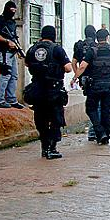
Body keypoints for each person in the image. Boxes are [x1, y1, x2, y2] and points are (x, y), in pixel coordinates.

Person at [25, 25, 72, 159]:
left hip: (37, 89)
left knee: (41, 119)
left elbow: (27, 64)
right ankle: (52, 148)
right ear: (54, 36)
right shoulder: (57, 49)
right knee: (56, 119)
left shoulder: (33, 49)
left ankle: (44, 148)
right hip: (53, 89)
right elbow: (68, 68)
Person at [73, 29, 110, 145]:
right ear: (107, 37)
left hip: (95, 85)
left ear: (96, 38)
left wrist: (74, 78)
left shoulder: (92, 51)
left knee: (90, 108)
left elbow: (82, 66)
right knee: (106, 110)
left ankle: (99, 132)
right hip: (109, 86)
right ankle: (106, 136)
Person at [0, 1, 24, 109]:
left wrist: (18, 50)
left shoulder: (12, 22)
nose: (13, 12)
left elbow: (14, 37)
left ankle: (11, 99)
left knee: (13, 76)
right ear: (6, 9)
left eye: (14, 10)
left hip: (11, 53)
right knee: (5, 74)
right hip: (3, 51)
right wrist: (6, 41)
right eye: (11, 10)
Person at [70, 25, 99, 141]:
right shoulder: (96, 47)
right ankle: (94, 132)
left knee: (91, 104)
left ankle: (93, 132)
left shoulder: (79, 45)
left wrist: (77, 75)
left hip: (83, 79)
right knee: (96, 106)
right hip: (95, 78)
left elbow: (73, 63)